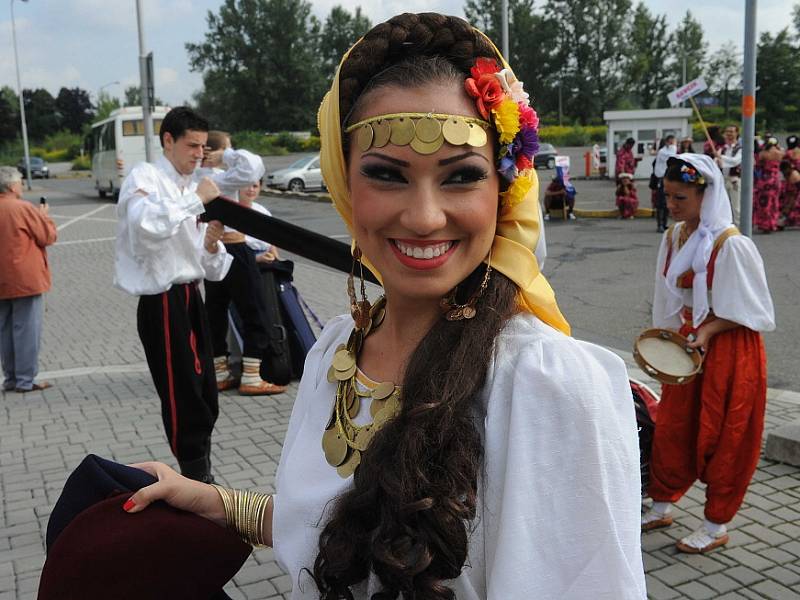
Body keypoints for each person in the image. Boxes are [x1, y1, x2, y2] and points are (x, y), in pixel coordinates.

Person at [122, 13, 646, 599]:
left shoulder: (548, 386)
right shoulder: (334, 350)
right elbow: (339, 527)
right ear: (344, 184)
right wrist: (215, 503)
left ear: (503, 190)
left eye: (461, 176)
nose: (424, 217)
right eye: (386, 175)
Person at [643, 154, 775, 554]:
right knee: (673, 424)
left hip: (731, 348)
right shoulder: (674, 237)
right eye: (667, 196)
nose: (672, 205)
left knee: (727, 434)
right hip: (691, 341)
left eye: (680, 197)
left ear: (707, 194)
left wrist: (709, 329)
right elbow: (667, 294)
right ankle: (662, 504)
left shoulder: (731, 244)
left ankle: (716, 524)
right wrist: (664, 337)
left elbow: (754, 312)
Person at [114, 106, 233, 483]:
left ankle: (202, 474)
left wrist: (212, 245)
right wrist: (196, 200)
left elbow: (206, 264)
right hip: (162, 300)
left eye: (203, 146)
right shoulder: (145, 176)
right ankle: (197, 478)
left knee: (206, 393)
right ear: (168, 141)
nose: (199, 153)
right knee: (183, 396)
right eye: (191, 145)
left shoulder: (189, 186)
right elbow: (144, 226)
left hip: (191, 295)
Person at [197, 132, 286, 396]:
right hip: (234, 248)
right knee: (254, 310)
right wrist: (225, 155)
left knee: (215, 311)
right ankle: (251, 375)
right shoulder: (220, 178)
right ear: (215, 152)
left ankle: (221, 372)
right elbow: (251, 167)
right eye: (229, 148)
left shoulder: (194, 178)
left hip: (209, 248)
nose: (233, 153)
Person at [0, 166, 57, 393]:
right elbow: (48, 236)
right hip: (24, 279)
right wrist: (43, 217)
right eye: (21, 182)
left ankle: (11, 378)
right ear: (13, 186)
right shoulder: (22, 208)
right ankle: (25, 380)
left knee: (5, 331)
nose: (22, 185)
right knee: (26, 330)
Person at [753, 136, 784, 234]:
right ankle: (772, 223)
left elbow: (757, 163)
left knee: (764, 203)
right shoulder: (779, 152)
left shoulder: (763, 153)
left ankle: (764, 224)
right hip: (775, 179)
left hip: (765, 180)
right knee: (774, 203)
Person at [717, 125, 742, 225]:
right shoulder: (722, 149)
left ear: (736, 133)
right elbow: (716, 162)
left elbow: (735, 161)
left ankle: (738, 229)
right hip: (723, 180)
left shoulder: (740, 148)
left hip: (734, 180)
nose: (729, 134)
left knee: (736, 207)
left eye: (731, 131)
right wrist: (718, 160)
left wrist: (721, 157)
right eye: (727, 132)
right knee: (723, 206)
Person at [652, 135, 677, 232]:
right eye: (670, 142)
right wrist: (673, 146)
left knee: (667, 202)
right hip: (661, 178)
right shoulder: (663, 152)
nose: (672, 145)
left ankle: (664, 223)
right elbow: (671, 156)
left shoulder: (669, 151)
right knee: (661, 202)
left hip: (669, 178)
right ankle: (660, 224)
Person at [779, 159, 800, 228]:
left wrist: (788, 207)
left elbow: (793, 195)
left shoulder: (794, 176)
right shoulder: (788, 174)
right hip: (792, 194)